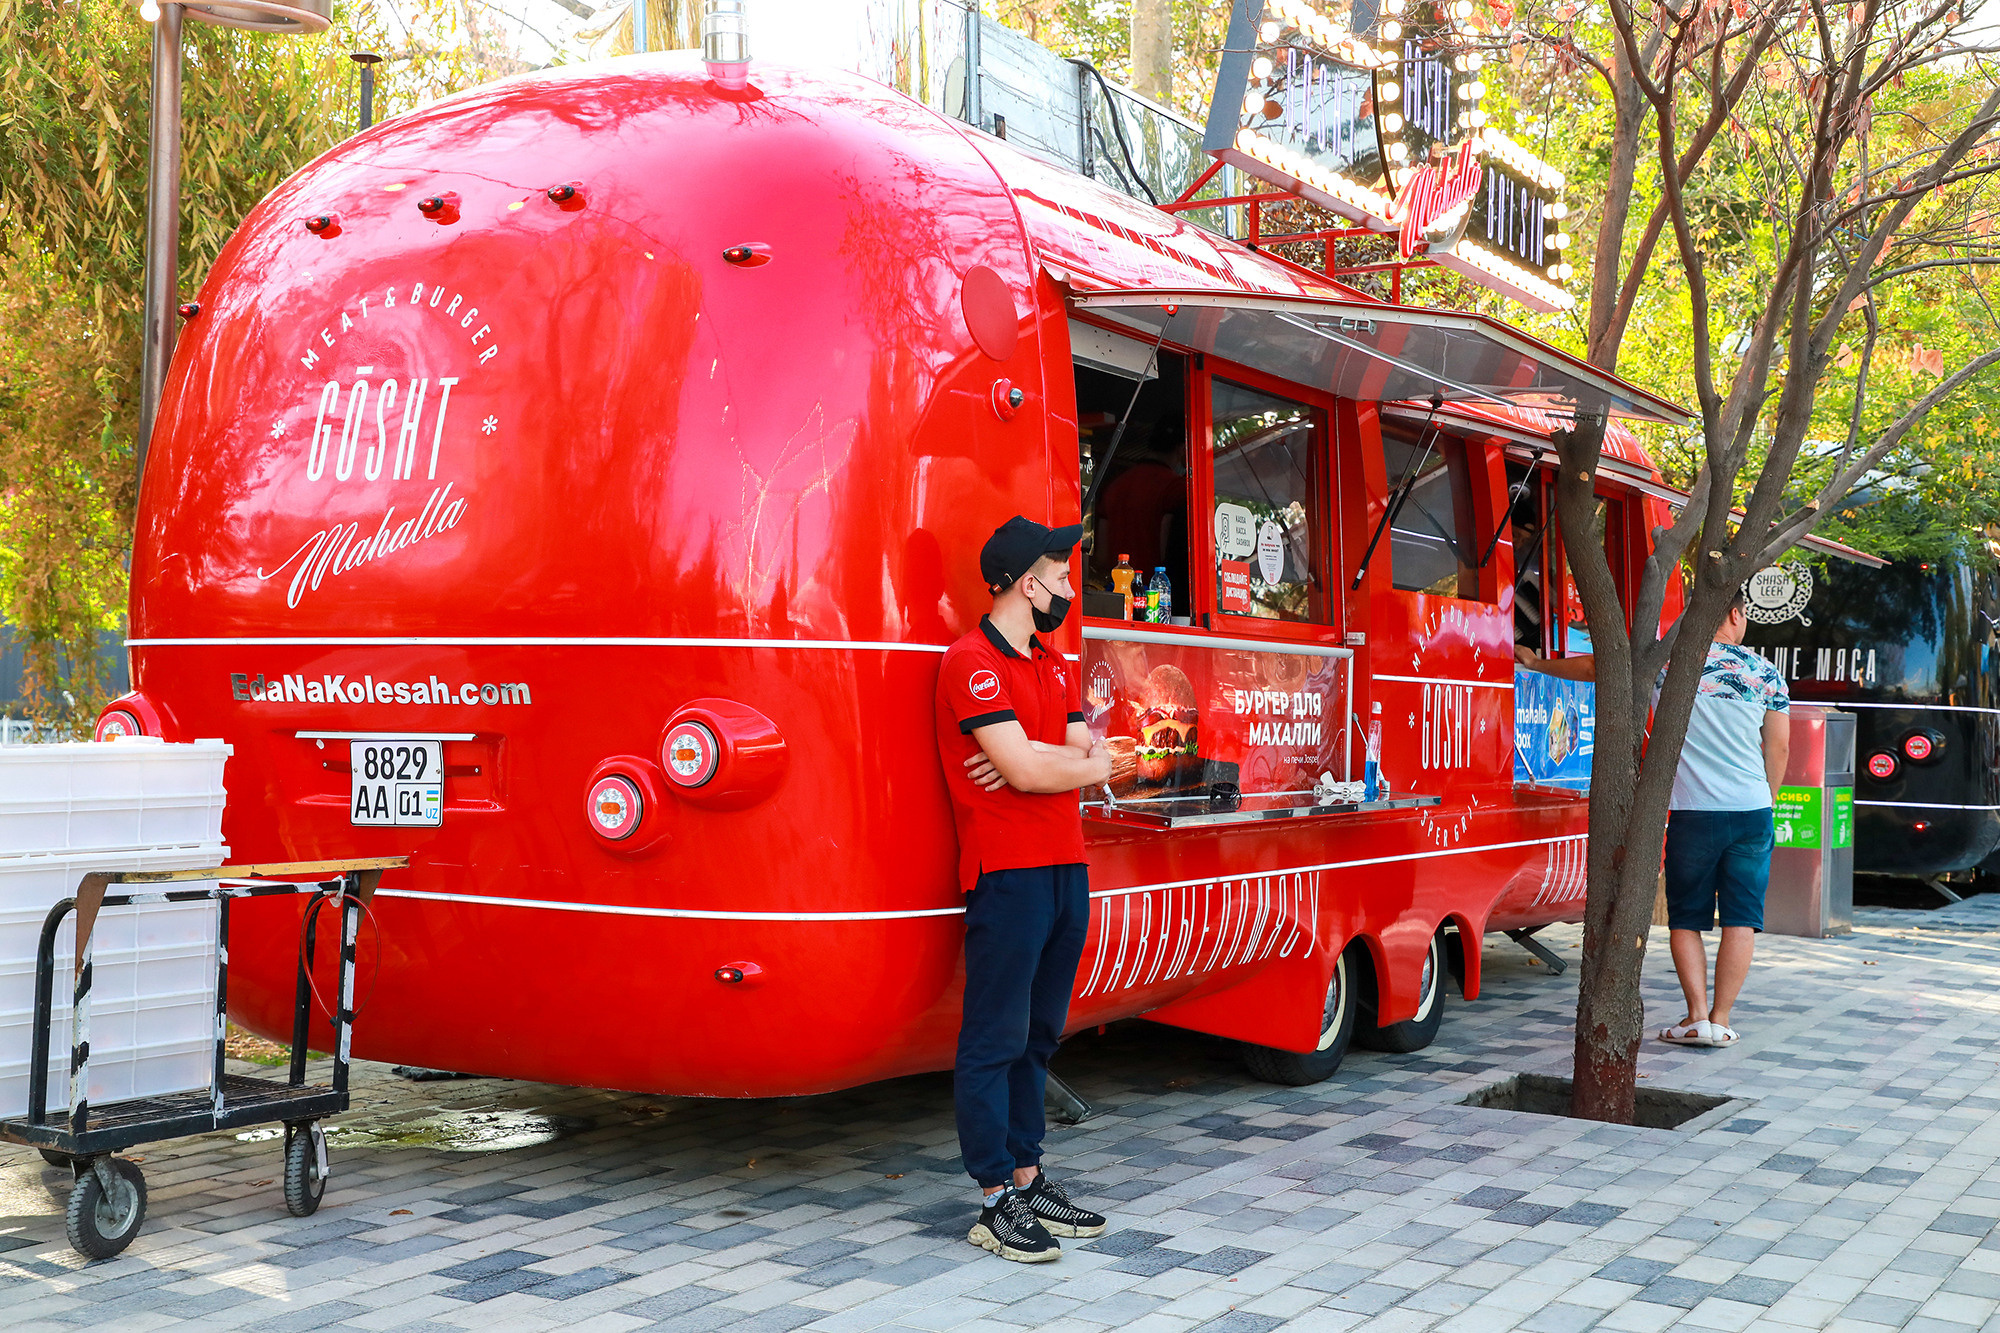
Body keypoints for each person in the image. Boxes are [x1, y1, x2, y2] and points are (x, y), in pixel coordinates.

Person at [934, 516, 1115, 1263]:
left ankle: (1027, 1171)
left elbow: (1077, 747)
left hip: (1063, 865)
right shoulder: (970, 662)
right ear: (1024, 582)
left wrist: (1037, 755)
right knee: (994, 1038)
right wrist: (1058, 762)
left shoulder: (1052, 660)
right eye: (1061, 574)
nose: (1070, 588)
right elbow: (1044, 770)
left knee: (1040, 1032)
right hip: (1006, 872)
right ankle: (991, 1198)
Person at [1516, 588, 1789, 1048]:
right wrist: (1768, 799)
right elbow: (1778, 747)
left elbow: (1594, 668)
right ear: (1736, 615)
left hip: (1692, 813)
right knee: (1742, 919)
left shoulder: (1669, 665)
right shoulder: (1765, 672)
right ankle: (1721, 1021)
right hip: (1752, 811)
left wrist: (1536, 664)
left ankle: (1696, 1016)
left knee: (1686, 918)